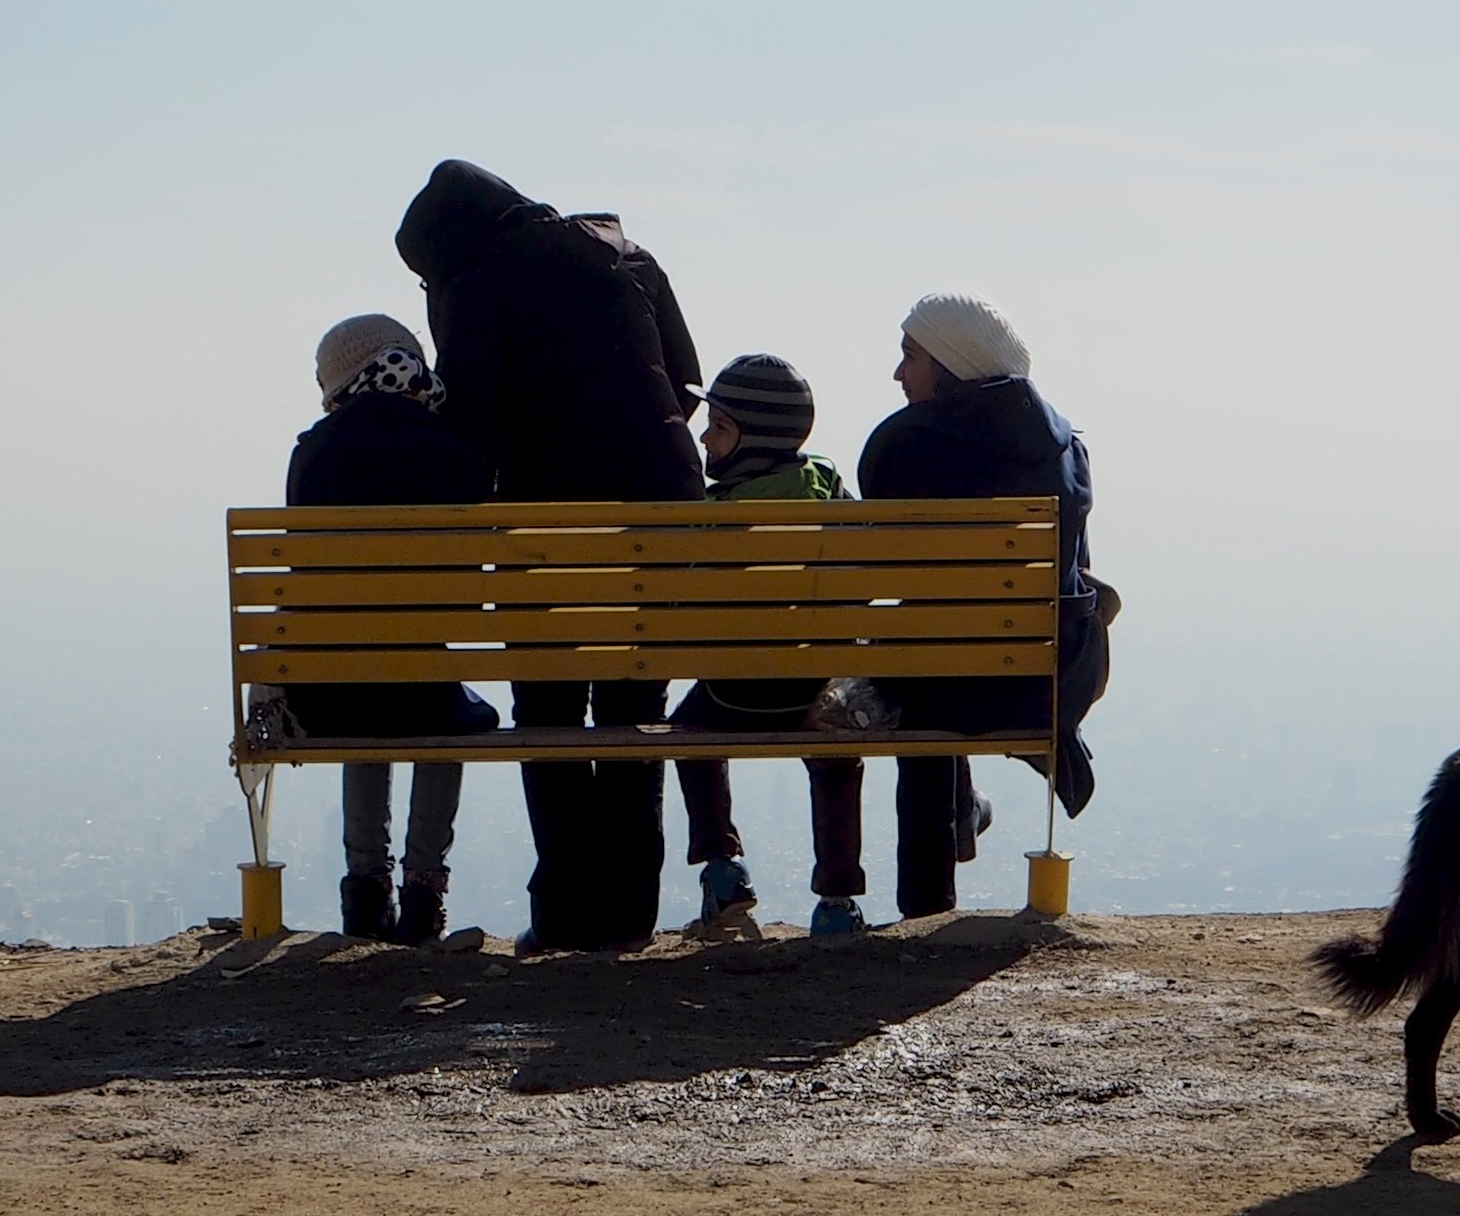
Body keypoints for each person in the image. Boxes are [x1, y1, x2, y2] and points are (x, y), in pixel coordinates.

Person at [395, 161, 705, 955]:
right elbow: (687, 377)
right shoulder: (623, 254)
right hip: (663, 512)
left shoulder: (477, 283)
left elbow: (470, 420)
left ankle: (566, 913)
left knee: (551, 707)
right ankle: (630, 915)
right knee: (634, 708)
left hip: (549, 520)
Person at [857, 293, 1110, 919]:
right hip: (1037, 682)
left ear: (949, 362)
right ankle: (960, 818)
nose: (898, 375)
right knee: (950, 647)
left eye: (909, 357)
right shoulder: (1067, 449)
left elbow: (884, 565)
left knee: (929, 661)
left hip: (935, 687)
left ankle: (926, 908)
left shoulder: (899, 444)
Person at [283, 313, 500, 945]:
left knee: (365, 692)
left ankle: (364, 888)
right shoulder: (458, 447)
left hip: (333, 693)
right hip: (425, 688)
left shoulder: (312, 452)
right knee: (439, 703)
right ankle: (425, 890)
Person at [668, 354, 868, 937]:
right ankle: (836, 903)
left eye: (720, 426)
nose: (705, 436)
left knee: (689, 735)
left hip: (734, 695)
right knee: (836, 756)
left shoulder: (716, 515)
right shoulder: (827, 486)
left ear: (754, 440)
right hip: (817, 692)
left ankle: (723, 870)